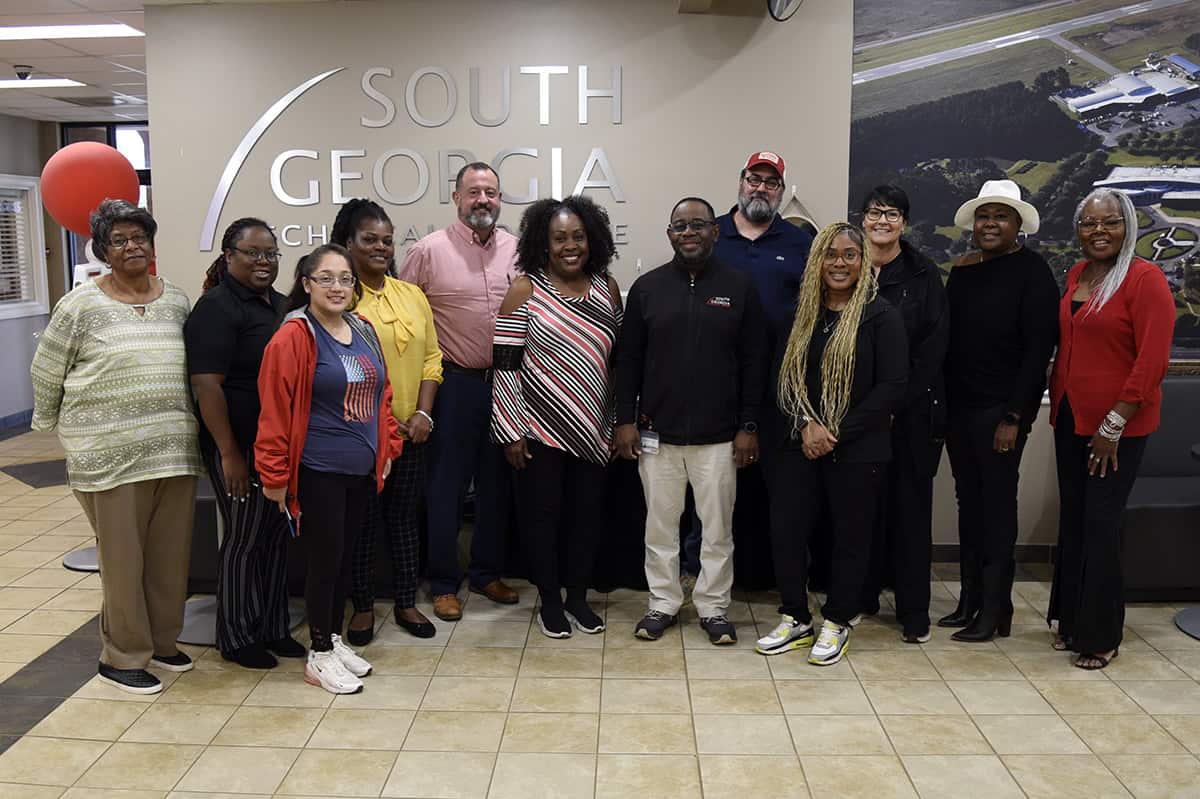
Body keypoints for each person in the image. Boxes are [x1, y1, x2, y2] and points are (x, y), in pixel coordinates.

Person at [30, 199, 204, 694]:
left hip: (172, 450)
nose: (132, 247)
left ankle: (163, 641)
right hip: (108, 456)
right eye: (120, 240)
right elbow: (47, 369)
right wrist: (51, 428)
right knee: (124, 561)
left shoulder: (175, 299)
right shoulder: (80, 304)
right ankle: (123, 655)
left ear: (151, 243)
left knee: (170, 557)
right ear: (104, 250)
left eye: (139, 238)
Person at [614, 197, 767, 645]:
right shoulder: (647, 288)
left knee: (717, 531)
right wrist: (625, 420)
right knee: (659, 528)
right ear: (669, 234)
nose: (689, 233)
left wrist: (749, 426)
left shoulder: (740, 287)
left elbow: (754, 362)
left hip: (720, 438)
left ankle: (714, 608)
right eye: (680, 225)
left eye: (698, 225)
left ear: (715, 232)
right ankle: (662, 603)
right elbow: (629, 361)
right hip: (655, 435)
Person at [256, 244, 404, 694]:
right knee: (324, 563)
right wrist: (275, 475)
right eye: (326, 278)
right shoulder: (294, 336)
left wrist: (390, 446)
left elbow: (384, 394)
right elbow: (274, 410)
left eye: (345, 279)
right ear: (306, 285)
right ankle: (317, 655)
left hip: (361, 470)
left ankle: (333, 640)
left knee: (343, 560)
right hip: (317, 469)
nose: (337, 287)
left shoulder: (362, 328)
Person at [758, 222, 908, 664]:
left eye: (849, 255)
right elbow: (779, 379)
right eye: (830, 254)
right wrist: (807, 424)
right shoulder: (798, 316)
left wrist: (836, 431)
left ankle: (838, 619)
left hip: (857, 448)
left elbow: (893, 386)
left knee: (850, 536)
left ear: (863, 263)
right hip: (797, 442)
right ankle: (795, 617)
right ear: (816, 261)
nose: (839, 263)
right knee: (787, 532)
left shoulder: (881, 317)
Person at [674, 150, 815, 595]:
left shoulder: (798, 243)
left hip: (779, 386)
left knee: (778, 490)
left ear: (780, 191)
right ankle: (697, 573)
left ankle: (780, 579)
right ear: (740, 181)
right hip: (716, 383)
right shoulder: (711, 233)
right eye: (754, 178)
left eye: (771, 182)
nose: (761, 188)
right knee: (708, 491)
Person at [1047, 188, 1173, 669]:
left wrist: (1114, 423)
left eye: (1110, 223)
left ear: (1128, 227)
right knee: (1075, 521)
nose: (1099, 232)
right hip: (1069, 418)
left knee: (1100, 526)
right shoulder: (1078, 274)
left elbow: (1152, 361)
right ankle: (1071, 620)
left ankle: (1100, 635)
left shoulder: (1146, 280)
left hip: (1116, 430)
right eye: (1089, 224)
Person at [492, 196, 622, 638]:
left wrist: (619, 420)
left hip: (594, 428)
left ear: (592, 240)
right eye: (560, 238)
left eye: (578, 237)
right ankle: (550, 601)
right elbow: (504, 364)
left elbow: (618, 359)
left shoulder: (608, 288)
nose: (571, 245)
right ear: (543, 244)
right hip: (538, 431)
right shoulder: (524, 288)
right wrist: (511, 431)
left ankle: (578, 599)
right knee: (542, 520)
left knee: (587, 520)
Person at [399, 162, 519, 621]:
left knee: (496, 484)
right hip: (454, 385)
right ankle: (444, 582)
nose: (482, 200)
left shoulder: (519, 250)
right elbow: (406, 320)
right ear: (456, 198)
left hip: (509, 384)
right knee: (445, 487)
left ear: (500, 198)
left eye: (490, 192)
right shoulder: (427, 251)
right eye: (474, 192)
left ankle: (487, 573)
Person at [942, 180, 1059, 642]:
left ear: (1017, 225)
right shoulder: (964, 270)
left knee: (995, 509)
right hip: (960, 407)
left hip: (1000, 413)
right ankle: (970, 600)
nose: (990, 224)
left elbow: (1037, 353)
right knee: (967, 505)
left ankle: (996, 609)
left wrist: (1015, 417)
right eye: (984, 216)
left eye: (1001, 217)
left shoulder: (1033, 272)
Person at [186, 217, 303, 669]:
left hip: (275, 446)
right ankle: (235, 636)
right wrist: (230, 454)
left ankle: (272, 627)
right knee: (243, 537)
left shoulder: (280, 305)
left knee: (274, 537)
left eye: (271, 254)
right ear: (228, 255)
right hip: (236, 447)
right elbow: (207, 387)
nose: (263, 261)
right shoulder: (216, 308)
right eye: (252, 253)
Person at [332, 199, 442, 644]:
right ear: (348, 244)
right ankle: (361, 608)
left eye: (387, 240)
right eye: (369, 240)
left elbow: (432, 358)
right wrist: (370, 423)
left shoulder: (410, 294)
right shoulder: (337, 297)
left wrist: (423, 413)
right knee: (361, 522)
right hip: (359, 435)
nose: (381, 247)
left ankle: (405, 602)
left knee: (403, 519)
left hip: (409, 434)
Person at [856, 186, 949, 644]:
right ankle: (861, 597)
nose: (882, 221)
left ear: (904, 223)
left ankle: (914, 612)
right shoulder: (846, 265)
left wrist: (893, 405)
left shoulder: (923, 274)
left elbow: (932, 349)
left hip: (910, 415)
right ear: (863, 219)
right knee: (861, 511)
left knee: (910, 514)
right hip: (855, 416)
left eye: (891, 214)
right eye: (875, 213)